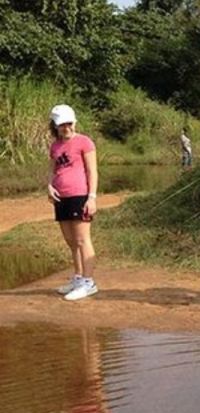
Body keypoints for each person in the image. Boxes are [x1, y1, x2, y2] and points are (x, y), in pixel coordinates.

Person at [48, 104, 100, 301]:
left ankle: (88, 282)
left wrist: (92, 197)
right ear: (55, 125)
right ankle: (78, 278)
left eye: (69, 123)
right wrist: (49, 186)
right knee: (71, 242)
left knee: (82, 240)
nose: (66, 128)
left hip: (80, 195)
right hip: (61, 197)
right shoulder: (55, 145)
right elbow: (51, 170)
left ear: (75, 122)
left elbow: (92, 171)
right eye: (62, 125)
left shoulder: (84, 142)